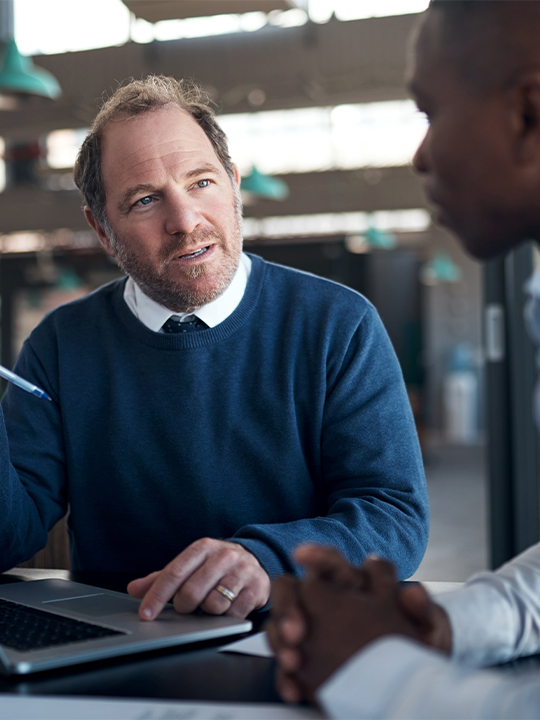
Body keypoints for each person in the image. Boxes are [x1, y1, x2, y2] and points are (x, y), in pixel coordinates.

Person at [0, 76, 429, 621]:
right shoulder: (59, 345)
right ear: (103, 231)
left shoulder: (338, 325)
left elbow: (394, 517)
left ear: (233, 185)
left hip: (296, 637)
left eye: (201, 183)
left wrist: (265, 560)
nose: (184, 222)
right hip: (119, 647)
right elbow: (10, 540)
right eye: (146, 200)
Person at [267, 1, 540, 716]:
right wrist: (441, 625)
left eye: (428, 112)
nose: (419, 157)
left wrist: (376, 676)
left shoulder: (337, 321)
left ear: (529, 114)